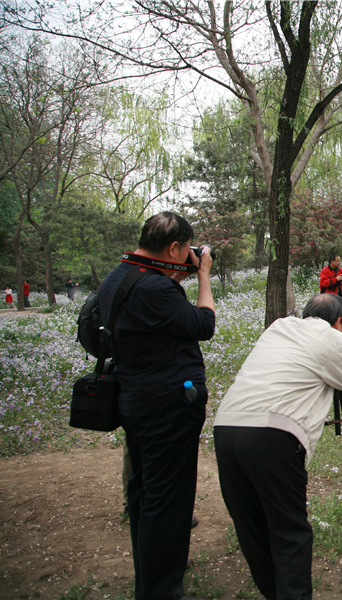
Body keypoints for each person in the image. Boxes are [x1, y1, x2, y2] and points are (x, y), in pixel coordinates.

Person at [214, 293, 342, 600]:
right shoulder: (333, 338)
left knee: (252, 527)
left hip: (226, 428)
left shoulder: (278, 327)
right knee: (289, 532)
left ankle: (274, 593)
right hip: (272, 437)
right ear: (340, 321)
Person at [98, 211, 215, 600]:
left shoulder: (118, 277)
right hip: (168, 406)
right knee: (168, 501)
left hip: (134, 400)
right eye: (185, 253)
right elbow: (203, 325)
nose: (187, 259)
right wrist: (202, 276)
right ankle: (163, 591)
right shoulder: (156, 289)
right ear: (174, 248)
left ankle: (149, 581)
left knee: (145, 493)